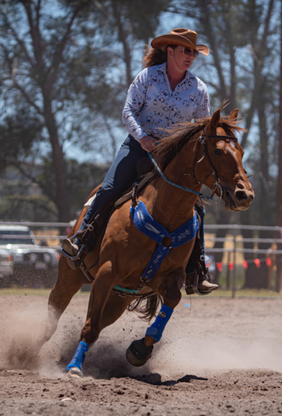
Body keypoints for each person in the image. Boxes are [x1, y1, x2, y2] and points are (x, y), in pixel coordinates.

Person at [61, 28, 218, 294]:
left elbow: (201, 128)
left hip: (173, 159)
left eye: (193, 52)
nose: (191, 56)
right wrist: (142, 137)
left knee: (197, 209)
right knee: (110, 188)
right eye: (186, 50)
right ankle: (81, 239)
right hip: (138, 147)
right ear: (170, 51)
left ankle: (197, 270)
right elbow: (128, 111)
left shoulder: (198, 89)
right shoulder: (147, 77)